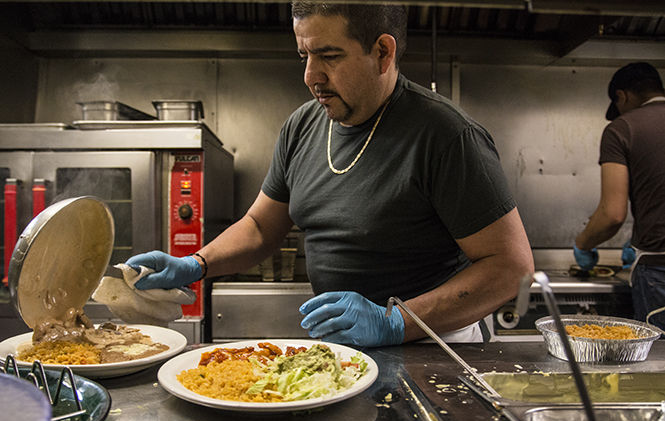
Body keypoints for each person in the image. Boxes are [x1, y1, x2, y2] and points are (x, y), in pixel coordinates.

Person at [126, 2, 534, 346]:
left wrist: (394, 321)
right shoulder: (302, 127)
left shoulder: (445, 135)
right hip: (341, 344)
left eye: (329, 56)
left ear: (383, 53)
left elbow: (511, 268)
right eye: (305, 55)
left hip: (433, 347)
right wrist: (196, 263)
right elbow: (259, 227)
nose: (310, 77)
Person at [574, 62, 665, 329]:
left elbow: (612, 215)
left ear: (622, 96)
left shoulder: (622, 128)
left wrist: (583, 243)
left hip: (660, 269)